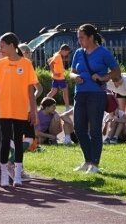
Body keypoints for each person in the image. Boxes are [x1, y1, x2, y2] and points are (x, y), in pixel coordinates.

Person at [69, 24, 121, 174]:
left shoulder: (103, 52)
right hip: (80, 93)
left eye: (82, 37)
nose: (79, 41)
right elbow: (71, 72)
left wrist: (103, 77)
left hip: (96, 94)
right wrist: (75, 77)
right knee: (78, 127)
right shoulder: (78, 53)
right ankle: (87, 160)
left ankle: (95, 164)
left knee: (95, 129)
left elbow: (117, 71)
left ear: (91, 37)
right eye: (78, 37)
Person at [0, 32, 39, 187]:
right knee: (4, 141)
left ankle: (17, 175)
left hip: (20, 110)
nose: (0, 49)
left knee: (18, 141)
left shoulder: (26, 64)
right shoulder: (0, 64)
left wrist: (33, 110)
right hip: (4, 109)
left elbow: (31, 90)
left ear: (12, 45)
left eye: (2, 46)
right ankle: (4, 175)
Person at [46, 44, 72, 110]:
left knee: (53, 91)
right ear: (63, 50)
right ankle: (67, 107)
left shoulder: (56, 54)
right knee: (65, 91)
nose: (66, 54)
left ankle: (44, 103)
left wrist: (54, 73)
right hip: (59, 78)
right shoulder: (57, 56)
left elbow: (49, 60)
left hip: (57, 77)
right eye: (67, 52)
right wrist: (54, 72)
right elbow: (50, 63)